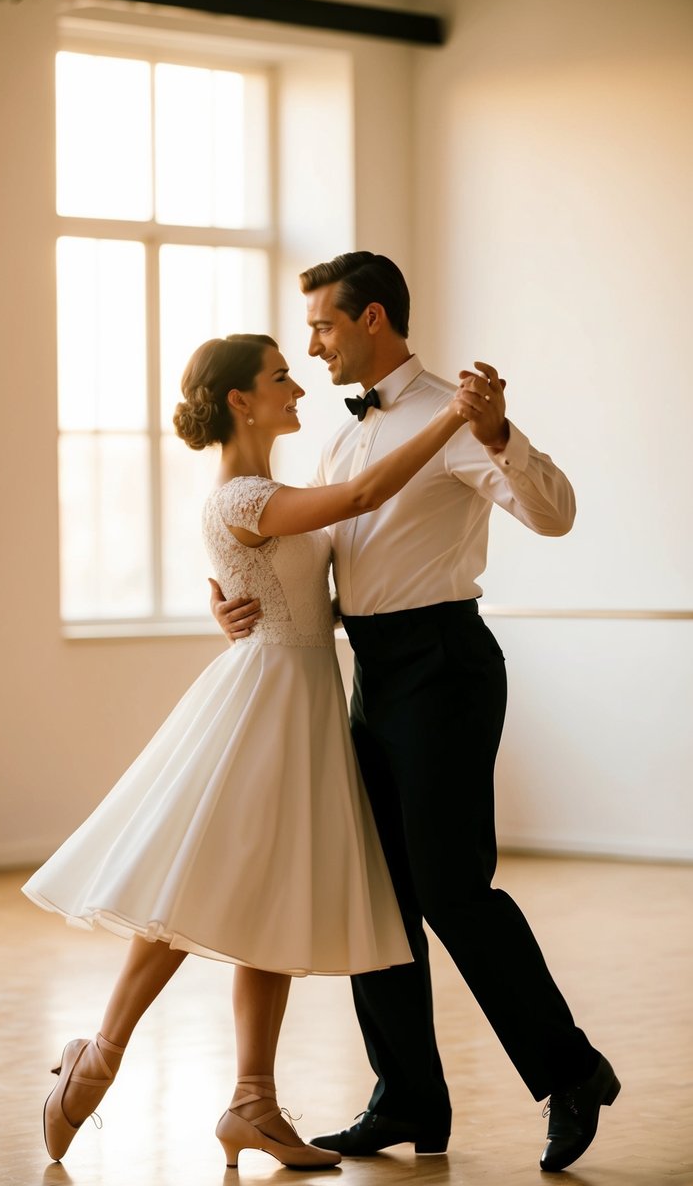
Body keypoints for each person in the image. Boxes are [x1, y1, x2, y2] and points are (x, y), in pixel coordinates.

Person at [22, 332, 471, 1170]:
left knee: (271, 896)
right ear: (240, 400)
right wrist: (455, 414)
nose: (296, 387)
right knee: (194, 887)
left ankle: (252, 1103)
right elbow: (366, 491)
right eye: (278, 377)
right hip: (263, 704)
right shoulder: (242, 496)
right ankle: (99, 1056)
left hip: (300, 698)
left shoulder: (268, 493)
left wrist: (234, 601)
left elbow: (306, 588)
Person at [211, 255, 620, 1175]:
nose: (310, 345)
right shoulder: (337, 436)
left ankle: (570, 1071)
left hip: (444, 665)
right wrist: (233, 598)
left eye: (321, 326)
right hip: (370, 672)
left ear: (373, 319)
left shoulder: (455, 413)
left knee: (449, 890)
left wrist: (501, 430)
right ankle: (407, 1096)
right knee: (376, 892)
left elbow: (552, 515)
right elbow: (313, 551)